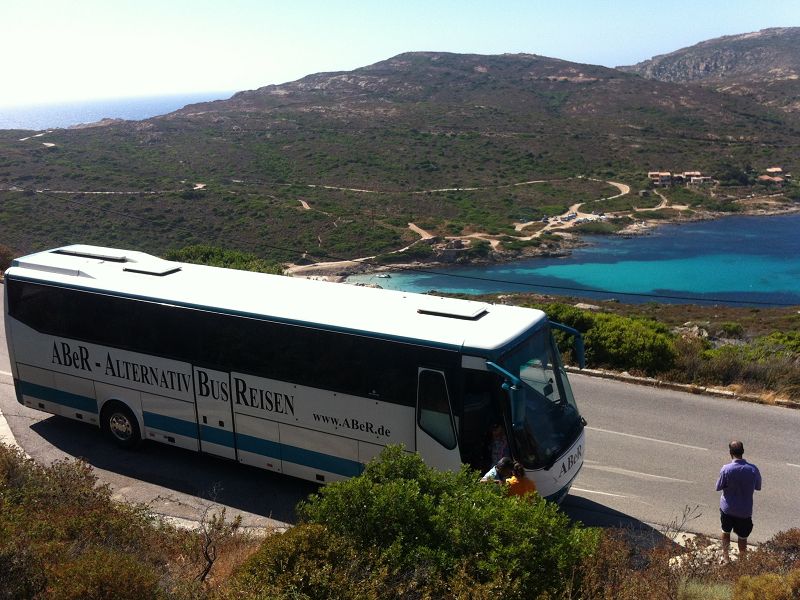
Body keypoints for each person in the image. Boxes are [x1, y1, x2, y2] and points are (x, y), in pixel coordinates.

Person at [715, 440, 761, 562]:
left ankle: (725, 558)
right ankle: (742, 561)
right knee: (742, 537)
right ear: (743, 452)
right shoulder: (753, 469)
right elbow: (758, 486)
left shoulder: (726, 469)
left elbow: (718, 487)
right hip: (744, 510)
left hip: (727, 509)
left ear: (730, 452)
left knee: (725, 531)